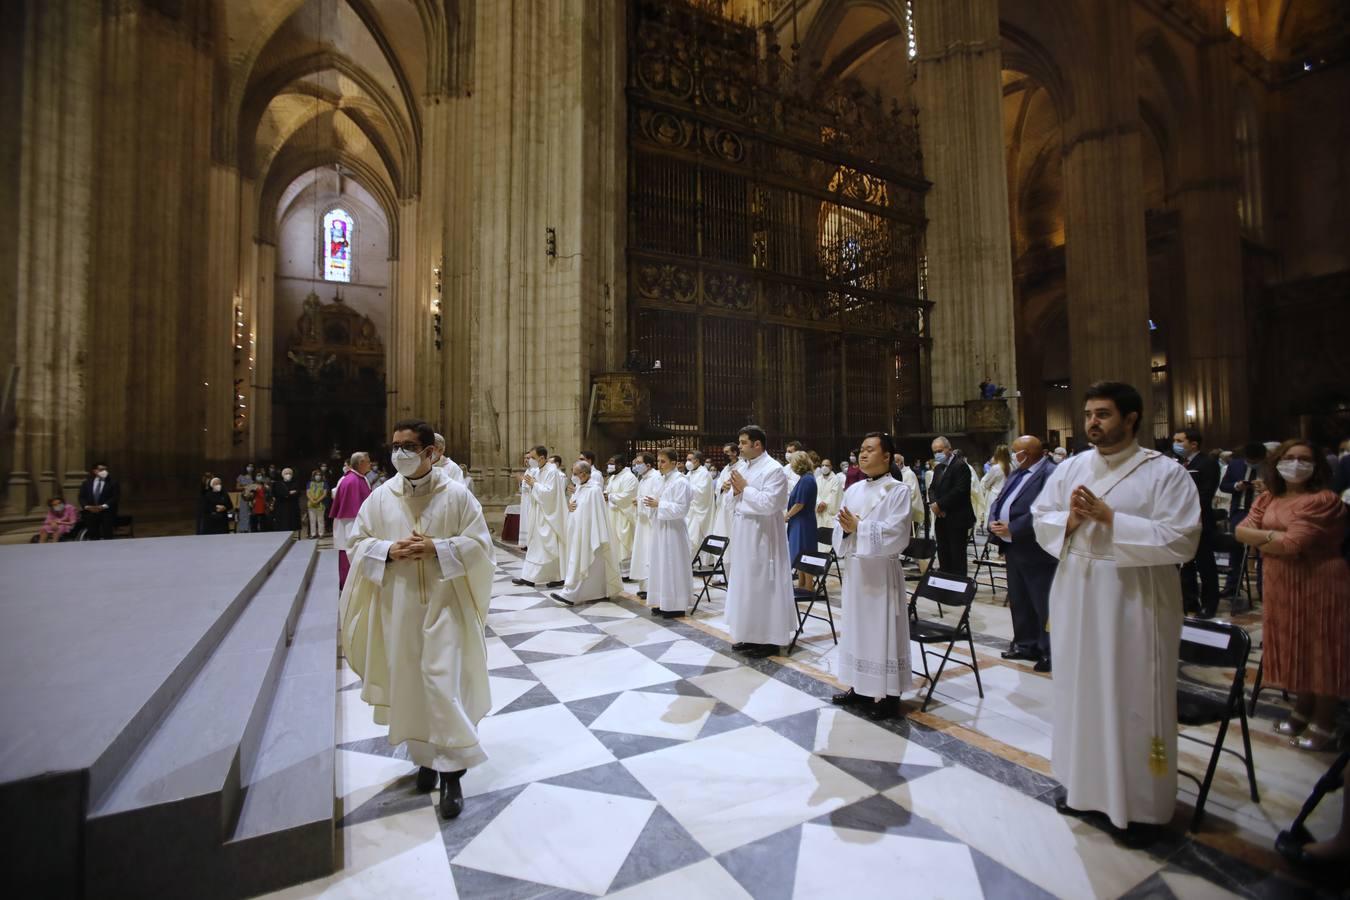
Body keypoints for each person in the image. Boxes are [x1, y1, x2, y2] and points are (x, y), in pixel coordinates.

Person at [1031, 381, 1202, 839]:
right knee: (1081, 689)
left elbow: (1184, 539)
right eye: (1088, 414)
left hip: (1134, 597)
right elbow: (1041, 515)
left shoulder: (1165, 473)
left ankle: (1140, 808)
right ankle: (1084, 790)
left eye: (1103, 414)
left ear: (1131, 419)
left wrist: (1112, 520)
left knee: (1130, 694)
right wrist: (1069, 521)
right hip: (1078, 590)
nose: (1092, 423)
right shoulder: (1072, 467)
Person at [340, 418, 493, 819]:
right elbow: (356, 542)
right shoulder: (380, 497)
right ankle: (426, 759)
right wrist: (389, 551)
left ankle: (453, 774)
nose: (399, 454)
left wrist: (438, 548)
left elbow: (480, 546)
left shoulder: (457, 496)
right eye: (395, 447)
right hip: (400, 607)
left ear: (431, 453)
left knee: (443, 685)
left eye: (408, 446)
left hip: (446, 607)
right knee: (410, 684)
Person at [1236, 440, 1350, 751]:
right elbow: (1241, 531)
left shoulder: (1323, 500)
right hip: (1281, 580)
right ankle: (1302, 708)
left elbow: (1294, 544)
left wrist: (1265, 539)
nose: (1296, 464)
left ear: (1317, 467)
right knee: (1295, 644)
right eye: (1289, 458)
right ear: (1277, 463)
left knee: (1322, 650)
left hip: (1319, 581)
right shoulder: (1270, 496)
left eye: (1304, 459)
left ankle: (1325, 721)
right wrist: (1275, 537)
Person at [831, 432, 913, 720]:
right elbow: (839, 525)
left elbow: (897, 534)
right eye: (861, 451)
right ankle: (861, 687)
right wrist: (845, 528)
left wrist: (859, 528)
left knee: (881, 630)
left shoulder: (897, 490)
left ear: (887, 456)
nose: (862, 455)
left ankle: (889, 695)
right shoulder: (853, 490)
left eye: (869, 450)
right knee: (856, 628)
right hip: (856, 569)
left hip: (881, 571)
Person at [725, 425, 795, 658]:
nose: (740, 447)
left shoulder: (774, 469)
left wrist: (744, 489)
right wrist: (735, 493)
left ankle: (769, 639)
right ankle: (749, 634)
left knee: (764, 585)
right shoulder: (743, 467)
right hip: (744, 533)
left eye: (743, 443)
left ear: (757, 444)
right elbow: (730, 503)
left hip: (764, 537)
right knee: (746, 585)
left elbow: (769, 505)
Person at [988, 436, 1057, 671]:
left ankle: (1049, 650)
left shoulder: (1050, 473)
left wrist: (1014, 528)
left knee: (1043, 601)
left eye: (1016, 451)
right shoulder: (1018, 473)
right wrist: (993, 520)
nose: (1013, 455)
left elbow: (1046, 510)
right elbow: (999, 500)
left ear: (1027, 453)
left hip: (1036, 547)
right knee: (1020, 599)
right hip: (1012, 546)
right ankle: (1025, 644)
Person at [551, 460, 622, 607]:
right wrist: (569, 507)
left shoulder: (594, 490)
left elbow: (595, 514)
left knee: (585, 564)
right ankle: (593, 592)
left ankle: (571, 594)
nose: (573, 476)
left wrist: (589, 532)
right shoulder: (580, 488)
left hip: (590, 534)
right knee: (579, 562)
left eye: (575, 473)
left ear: (584, 474)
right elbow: (576, 506)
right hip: (578, 533)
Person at [1174, 429, 1221, 618]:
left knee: (1206, 565)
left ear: (1193, 444)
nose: (1175, 443)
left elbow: (1205, 493)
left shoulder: (1207, 463)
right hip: (1179, 522)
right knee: (1186, 564)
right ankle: (1189, 600)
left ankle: (1210, 604)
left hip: (1200, 520)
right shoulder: (1177, 464)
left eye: (1179, 440)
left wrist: (1181, 506)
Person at [642, 448, 694, 617]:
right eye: (658, 461)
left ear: (674, 463)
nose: (659, 465)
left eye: (663, 461)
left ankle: (677, 605)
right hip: (661, 528)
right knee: (661, 564)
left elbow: (681, 509)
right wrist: (651, 504)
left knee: (673, 565)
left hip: (673, 531)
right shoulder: (662, 480)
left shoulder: (681, 482)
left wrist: (659, 505)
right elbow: (657, 500)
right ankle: (664, 601)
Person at [515, 446, 567, 588]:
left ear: (542, 458)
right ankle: (528, 577)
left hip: (548, 515)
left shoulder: (552, 472)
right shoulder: (538, 471)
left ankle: (557, 577)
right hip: (538, 513)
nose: (530, 460)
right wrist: (531, 484)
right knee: (536, 546)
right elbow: (534, 491)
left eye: (532, 457)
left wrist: (534, 484)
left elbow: (550, 494)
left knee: (547, 547)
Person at [928, 437, 973, 576]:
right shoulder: (939, 467)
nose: (937, 454)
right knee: (943, 550)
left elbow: (960, 490)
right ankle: (945, 581)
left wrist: (940, 505)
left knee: (957, 553)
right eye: (935, 452)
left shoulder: (960, 466)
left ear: (949, 448)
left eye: (940, 451)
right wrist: (934, 504)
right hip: (941, 517)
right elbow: (932, 489)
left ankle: (958, 587)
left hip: (957, 516)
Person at [332, 452, 374, 589]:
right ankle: (349, 585)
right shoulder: (352, 481)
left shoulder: (359, 478)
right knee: (349, 552)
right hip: (350, 524)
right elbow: (351, 509)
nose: (370, 464)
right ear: (361, 463)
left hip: (354, 522)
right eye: (368, 461)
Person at [627, 452, 662, 594]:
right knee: (642, 553)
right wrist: (638, 500)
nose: (636, 465)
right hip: (643, 522)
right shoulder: (643, 479)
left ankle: (651, 587)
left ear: (648, 465)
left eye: (639, 463)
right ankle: (644, 586)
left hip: (651, 523)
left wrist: (639, 501)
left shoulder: (656, 478)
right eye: (635, 463)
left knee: (649, 553)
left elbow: (654, 499)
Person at [784, 451, 818, 590]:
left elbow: (799, 503)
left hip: (804, 522)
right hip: (799, 521)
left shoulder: (807, 479)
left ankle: (809, 586)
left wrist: (787, 516)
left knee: (806, 551)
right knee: (799, 552)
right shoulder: (804, 478)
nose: (791, 466)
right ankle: (802, 583)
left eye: (792, 463)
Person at [605, 454, 639, 571]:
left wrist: (609, 496)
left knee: (625, 542)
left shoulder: (629, 477)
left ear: (619, 465)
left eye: (611, 463)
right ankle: (618, 569)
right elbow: (608, 491)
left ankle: (627, 570)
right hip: (613, 514)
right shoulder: (613, 477)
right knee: (614, 542)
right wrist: (606, 495)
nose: (608, 465)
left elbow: (627, 496)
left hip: (624, 515)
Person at [684, 449, 715, 563]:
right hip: (690, 511)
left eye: (689, 460)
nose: (687, 462)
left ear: (696, 461)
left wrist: (686, 488)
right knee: (689, 537)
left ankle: (698, 563)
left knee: (694, 538)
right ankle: (689, 563)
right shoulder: (690, 473)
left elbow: (701, 492)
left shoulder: (704, 473)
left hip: (699, 511)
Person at [78, 463, 119, 540]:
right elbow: (81, 497)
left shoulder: (112, 483)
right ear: (95, 471)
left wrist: (103, 506)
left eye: (105, 469)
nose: (104, 471)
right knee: (93, 535)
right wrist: (87, 507)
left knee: (108, 535)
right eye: (101, 469)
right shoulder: (87, 483)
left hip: (106, 513)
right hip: (90, 513)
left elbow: (115, 497)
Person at [979, 445, 1011, 533]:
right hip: (1008, 496)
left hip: (995, 496)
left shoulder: (996, 468)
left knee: (994, 521)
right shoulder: (1013, 466)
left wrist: (987, 486)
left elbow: (986, 483)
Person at [815, 458, 843, 530]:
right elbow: (815, 492)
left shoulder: (836, 479)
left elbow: (834, 494)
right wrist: (819, 503)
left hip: (829, 512)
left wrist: (824, 503)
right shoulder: (818, 479)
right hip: (819, 511)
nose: (824, 467)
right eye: (823, 465)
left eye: (827, 465)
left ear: (831, 467)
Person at [273, 467, 302, 534]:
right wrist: (288, 493)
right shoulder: (278, 484)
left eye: (289, 473)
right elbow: (278, 494)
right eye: (286, 473)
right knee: (283, 524)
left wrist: (287, 494)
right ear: (282, 475)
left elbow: (297, 493)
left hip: (293, 507)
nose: (288, 475)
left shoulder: (295, 483)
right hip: (282, 507)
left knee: (293, 524)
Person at [305, 470, 328, 539]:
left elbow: (324, 493)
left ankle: (321, 534)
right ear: (313, 476)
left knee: (320, 520)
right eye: (316, 475)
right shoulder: (309, 483)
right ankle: (313, 534)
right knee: (312, 520)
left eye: (319, 475)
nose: (318, 476)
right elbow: (308, 493)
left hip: (321, 504)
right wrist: (312, 500)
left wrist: (318, 500)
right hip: (311, 504)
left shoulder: (324, 483)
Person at [236, 464, 256, 533]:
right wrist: (245, 487)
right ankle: (244, 529)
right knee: (244, 513)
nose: (250, 468)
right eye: (248, 466)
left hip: (254, 497)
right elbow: (237, 487)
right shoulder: (241, 477)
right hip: (244, 497)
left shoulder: (255, 477)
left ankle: (253, 528)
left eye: (252, 466)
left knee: (252, 513)